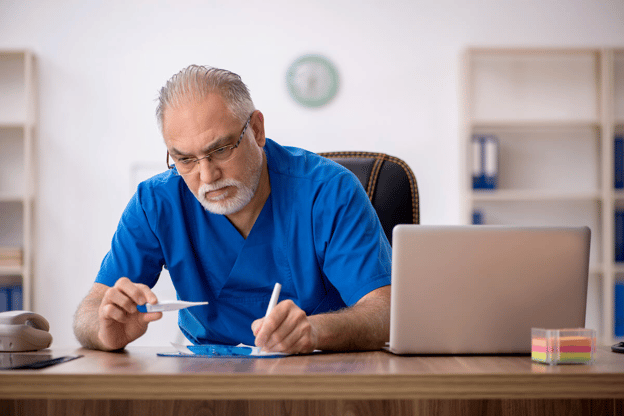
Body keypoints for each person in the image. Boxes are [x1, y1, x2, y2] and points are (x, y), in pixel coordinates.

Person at [73, 65, 392, 354]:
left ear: (256, 130)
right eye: (185, 159)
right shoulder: (157, 202)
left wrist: (316, 331)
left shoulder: (328, 191)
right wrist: (105, 331)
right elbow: (90, 309)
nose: (207, 176)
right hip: (206, 375)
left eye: (221, 150)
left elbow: (384, 311)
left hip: (318, 369)